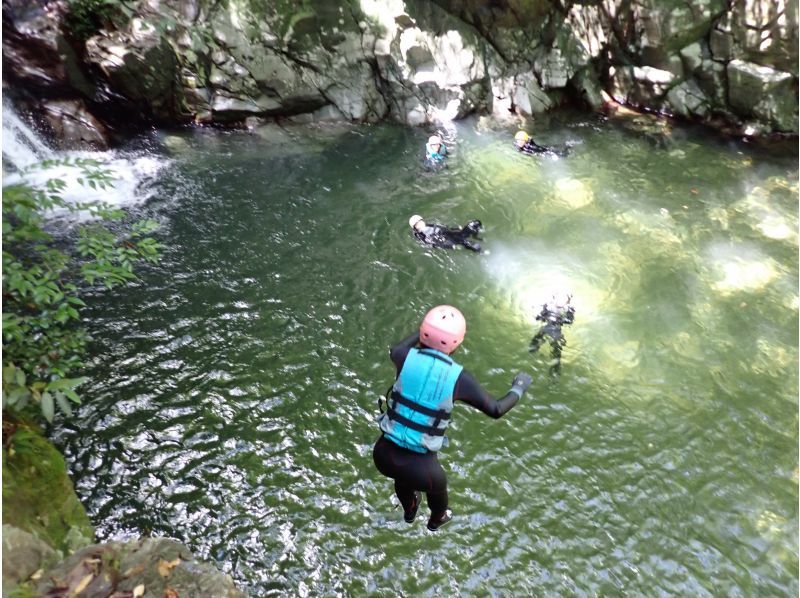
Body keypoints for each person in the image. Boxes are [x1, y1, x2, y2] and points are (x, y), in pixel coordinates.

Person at [373, 305, 533, 531]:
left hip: (383, 455)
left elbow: (397, 348)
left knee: (403, 479)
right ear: (457, 343)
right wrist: (518, 388)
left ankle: (409, 510)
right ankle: (437, 519)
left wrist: (425, 333)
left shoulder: (403, 356)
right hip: (423, 471)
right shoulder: (459, 378)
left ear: (423, 332)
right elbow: (496, 409)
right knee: (436, 489)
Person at [529, 293, 575, 376]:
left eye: (564, 299)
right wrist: (541, 316)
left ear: (567, 302)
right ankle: (531, 351)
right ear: (555, 298)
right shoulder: (548, 305)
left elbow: (570, 321)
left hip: (556, 330)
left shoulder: (569, 309)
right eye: (560, 298)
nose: (561, 301)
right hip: (546, 327)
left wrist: (561, 320)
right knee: (538, 337)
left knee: (556, 347)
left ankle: (555, 369)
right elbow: (538, 316)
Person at [408, 214, 483, 252]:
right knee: (475, 246)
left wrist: (456, 228)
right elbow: (434, 243)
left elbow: (444, 227)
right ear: (415, 227)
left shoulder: (429, 225)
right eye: (417, 224)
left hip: (450, 233)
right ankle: (482, 254)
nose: (420, 224)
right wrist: (451, 246)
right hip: (448, 240)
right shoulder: (422, 235)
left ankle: (475, 236)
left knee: (475, 223)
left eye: (420, 221)